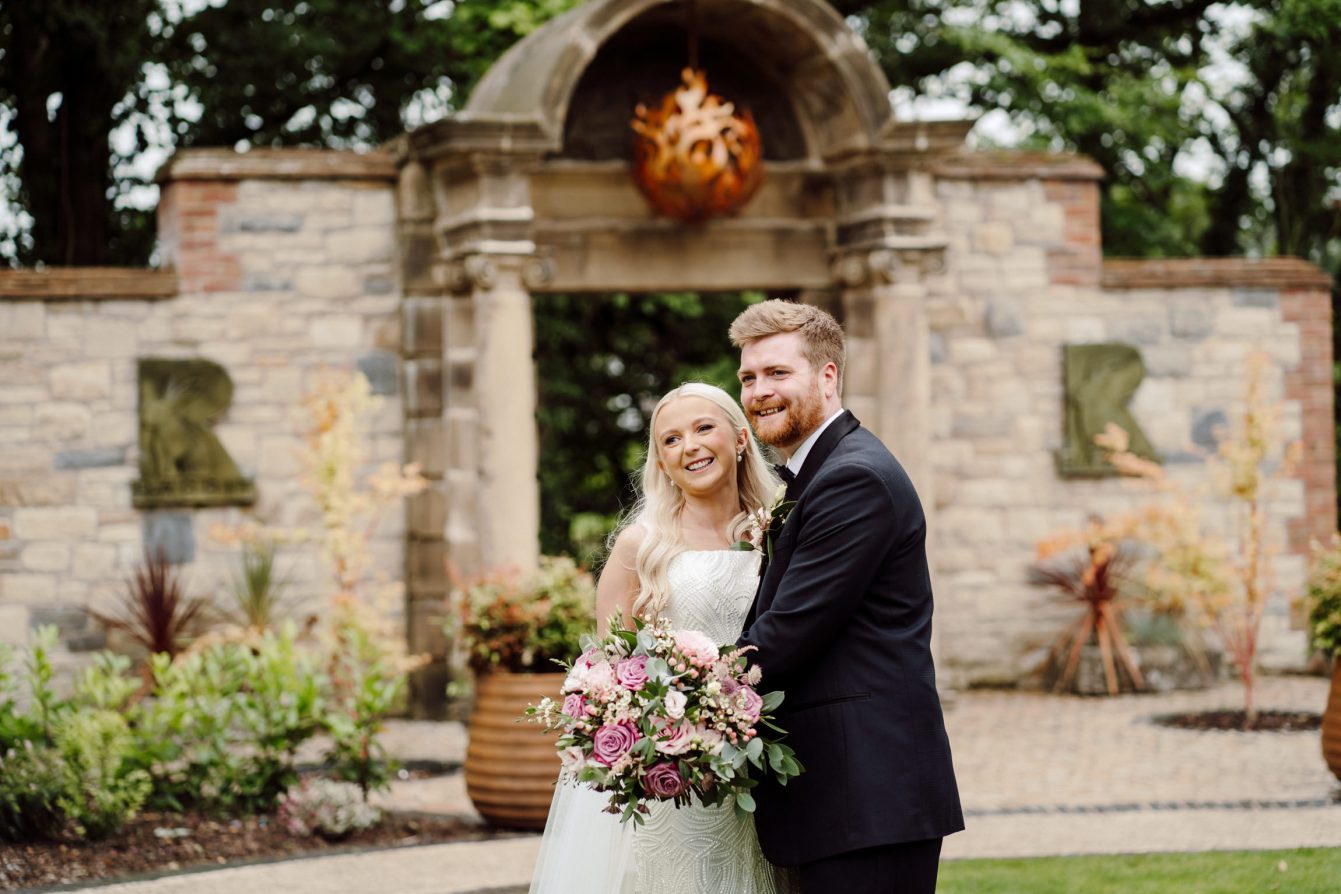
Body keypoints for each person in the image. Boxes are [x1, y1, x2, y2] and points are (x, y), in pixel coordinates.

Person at [731, 300, 964, 894]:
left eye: (778, 373)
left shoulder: (852, 479)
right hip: (844, 797)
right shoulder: (818, 476)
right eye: (749, 378)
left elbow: (786, 636)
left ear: (827, 376)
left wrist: (665, 695)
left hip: (868, 794)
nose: (759, 391)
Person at [529, 382, 796, 894]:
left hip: (767, 770)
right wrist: (668, 738)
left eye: (702, 428)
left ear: (741, 438)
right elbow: (608, 678)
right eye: (670, 440)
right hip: (676, 778)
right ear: (662, 463)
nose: (689, 446)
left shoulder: (778, 528)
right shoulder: (641, 545)